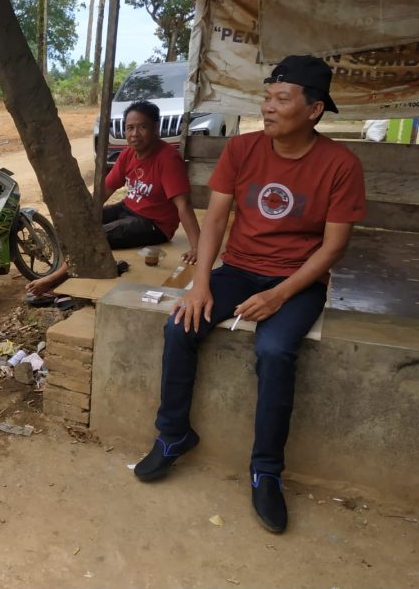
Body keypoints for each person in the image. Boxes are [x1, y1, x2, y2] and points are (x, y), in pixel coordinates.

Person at [132, 55, 366, 534]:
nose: (270, 106)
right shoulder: (242, 149)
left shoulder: (340, 164)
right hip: (238, 269)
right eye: (267, 97)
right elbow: (215, 219)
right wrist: (200, 285)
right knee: (180, 324)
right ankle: (174, 435)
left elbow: (334, 245)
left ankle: (265, 470)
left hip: (299, 279)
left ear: (315, 109)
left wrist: (280, 295)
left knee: (275, 349)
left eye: (283, 99)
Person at [25, 101, 201, 298]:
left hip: (154, 225)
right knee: (80, 223)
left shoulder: (168, 159)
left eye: (142, 127)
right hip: (128, 209)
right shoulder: (128, 154)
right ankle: (69, 268)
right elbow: (104, 191)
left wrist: (197, 247)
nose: (135, 134)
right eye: (130, 128)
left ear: (155, 128)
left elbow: (183, 204)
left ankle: (57, 279)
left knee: (99, 236)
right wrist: (85, 217)